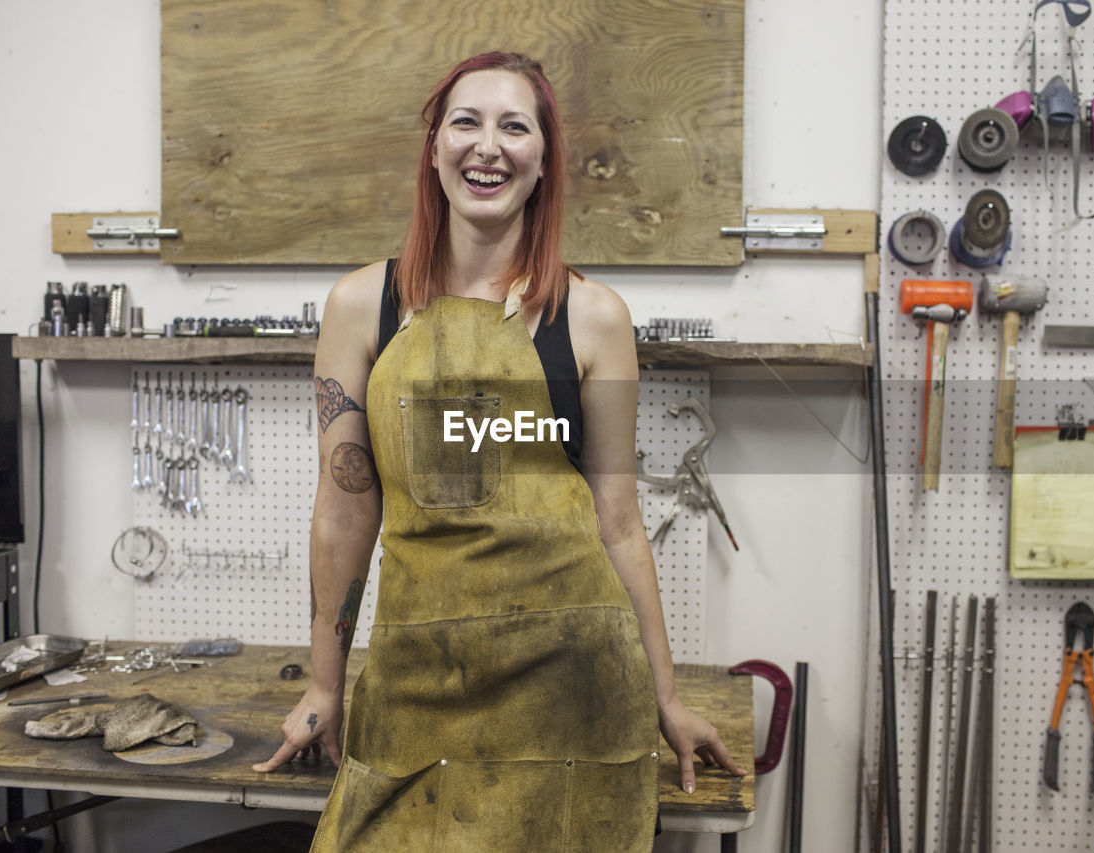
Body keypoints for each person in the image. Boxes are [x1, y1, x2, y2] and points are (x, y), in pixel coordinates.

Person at [253, 50, 743, 850]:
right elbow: (346, 507)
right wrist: (323, 681)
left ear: (544, 162)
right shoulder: (360, 307)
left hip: (572, 689)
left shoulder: (593, 317)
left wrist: (668, 696)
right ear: (434, 148)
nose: (489, 146)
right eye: (466, 122)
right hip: (419, 678)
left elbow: (618, 520)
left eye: (515, 127)